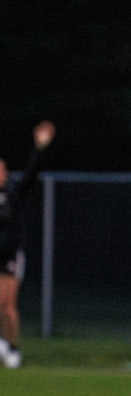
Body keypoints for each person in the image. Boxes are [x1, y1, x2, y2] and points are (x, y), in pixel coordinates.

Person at [0, 121, 56, 369]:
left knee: (6, 305)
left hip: (8, 255)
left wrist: (39, 148)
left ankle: (12, 348)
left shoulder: (13, 193)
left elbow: (32, 173)